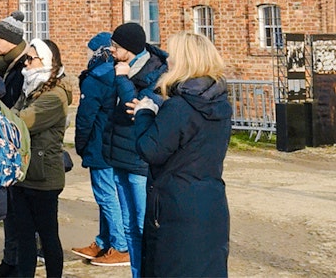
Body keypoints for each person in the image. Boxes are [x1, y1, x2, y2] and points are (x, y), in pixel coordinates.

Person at [132, 32, 231, 277]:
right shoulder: (219, 102)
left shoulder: (179, 107)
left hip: (177, 206)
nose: (168, 62)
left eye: (174, 56)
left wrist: (145, 113)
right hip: (210, 202)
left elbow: (149, 149)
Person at [101, 23, 167, 278]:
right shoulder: (118, 67)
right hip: (118, 154)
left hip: (139, 158)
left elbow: (133, 109)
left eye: (116, 46)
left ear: (129, 48)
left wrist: (122, 77)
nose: (112, 50)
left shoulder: (156, 72)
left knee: (143, 225)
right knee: (129, 226)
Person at [5, 39, 71, 278]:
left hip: (44, 176)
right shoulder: (30, 88)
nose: (27, 63)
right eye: (26, 58)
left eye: (31, 59)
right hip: (25, 173)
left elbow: (22, 121)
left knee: (47, 236)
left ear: (46, 62)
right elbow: (14, 112)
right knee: (24, 237)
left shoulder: (55, 96)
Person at [71, 32, 130, 266]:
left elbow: (85, 118)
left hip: (99, 142)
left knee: (106, 196)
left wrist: (81, 145)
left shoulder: (95, 78)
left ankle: (120, 245)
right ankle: (105, 241)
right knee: (112, 194)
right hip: (116, 143)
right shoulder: (118, 74)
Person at [0, 10, 28, 277]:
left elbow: (13, 104)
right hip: (9, 141)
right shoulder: (4, 65)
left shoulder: (21, 68)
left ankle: (15, 261)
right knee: (12, 212)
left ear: (11, 40)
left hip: (16, 143)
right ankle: (11, 258)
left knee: (18, 212)